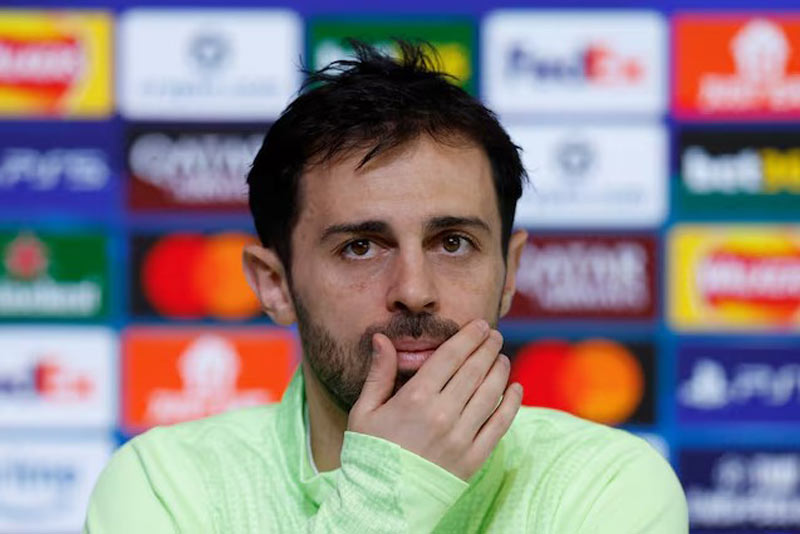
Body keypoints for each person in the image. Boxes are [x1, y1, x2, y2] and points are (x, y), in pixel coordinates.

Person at [84, 41, 687, 533]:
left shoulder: (604, 484)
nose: (414, 290)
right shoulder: (165, 487)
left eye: (453, 242)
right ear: (275, 284)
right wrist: (388, 490)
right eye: (361, 247)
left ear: (510, 272)